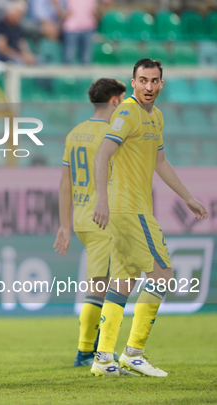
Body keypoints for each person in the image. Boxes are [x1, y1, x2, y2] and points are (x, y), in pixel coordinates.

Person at [91, 59, 208, 377]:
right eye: (143, 80)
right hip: (129, 209)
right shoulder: (127, 112)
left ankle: (103, 358)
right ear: (133, 83)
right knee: (163, 275)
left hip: (132, 208)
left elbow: (161, 161)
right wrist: (102, 199)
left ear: (161, 84)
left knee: (123, 282)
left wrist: (187, 197)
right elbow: (103, 154)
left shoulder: (156, 117)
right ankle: (134, 353)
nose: (149, 86)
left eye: (154, 81)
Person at [53, 78, 126, 367]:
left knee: (102, 283)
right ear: (115, 101)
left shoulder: (75, 133)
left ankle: (92, 348)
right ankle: (86, 352)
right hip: (103, 217)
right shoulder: (112, 134)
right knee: (101, 286)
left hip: (83, 218)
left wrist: (64, 225)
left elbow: (64, 183)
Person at [0, 1, 36, 65]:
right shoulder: (1, 24)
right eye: (18, 13)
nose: (19, 16)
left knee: (40, 61)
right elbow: (1, 47)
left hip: (17, 56)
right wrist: (18, 57)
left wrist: (27, 55)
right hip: (5, 58)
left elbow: (21, 42)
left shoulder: (18, 26)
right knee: (19, 63)